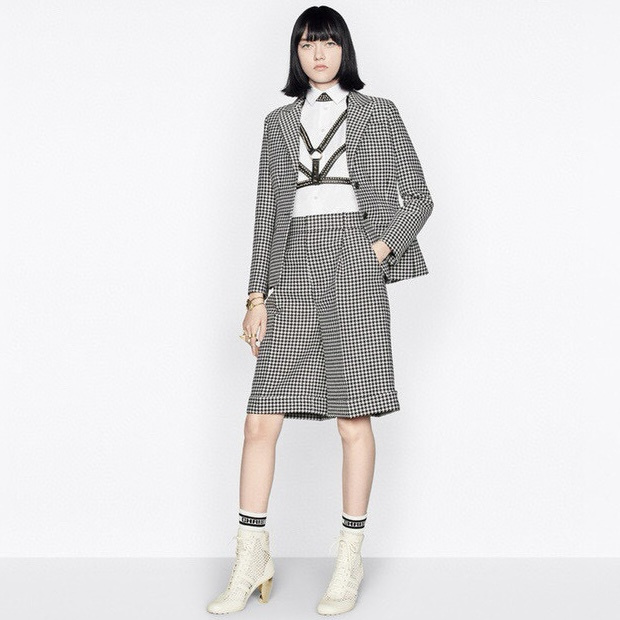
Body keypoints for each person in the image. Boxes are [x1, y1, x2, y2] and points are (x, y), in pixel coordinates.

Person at [207, 5, 434, 616]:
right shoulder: (278, 122)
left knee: (353, 418)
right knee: (261, 418)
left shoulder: (378, 112)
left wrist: (378, 248)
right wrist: (256, 296)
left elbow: (418, 195)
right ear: (297, 53)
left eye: (329, 43)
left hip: (355, 262)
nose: (319, 54)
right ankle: (251, 557)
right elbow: (267, 214)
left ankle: (348, 561)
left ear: (344, 50)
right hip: (293, 267)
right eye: (308, 44)